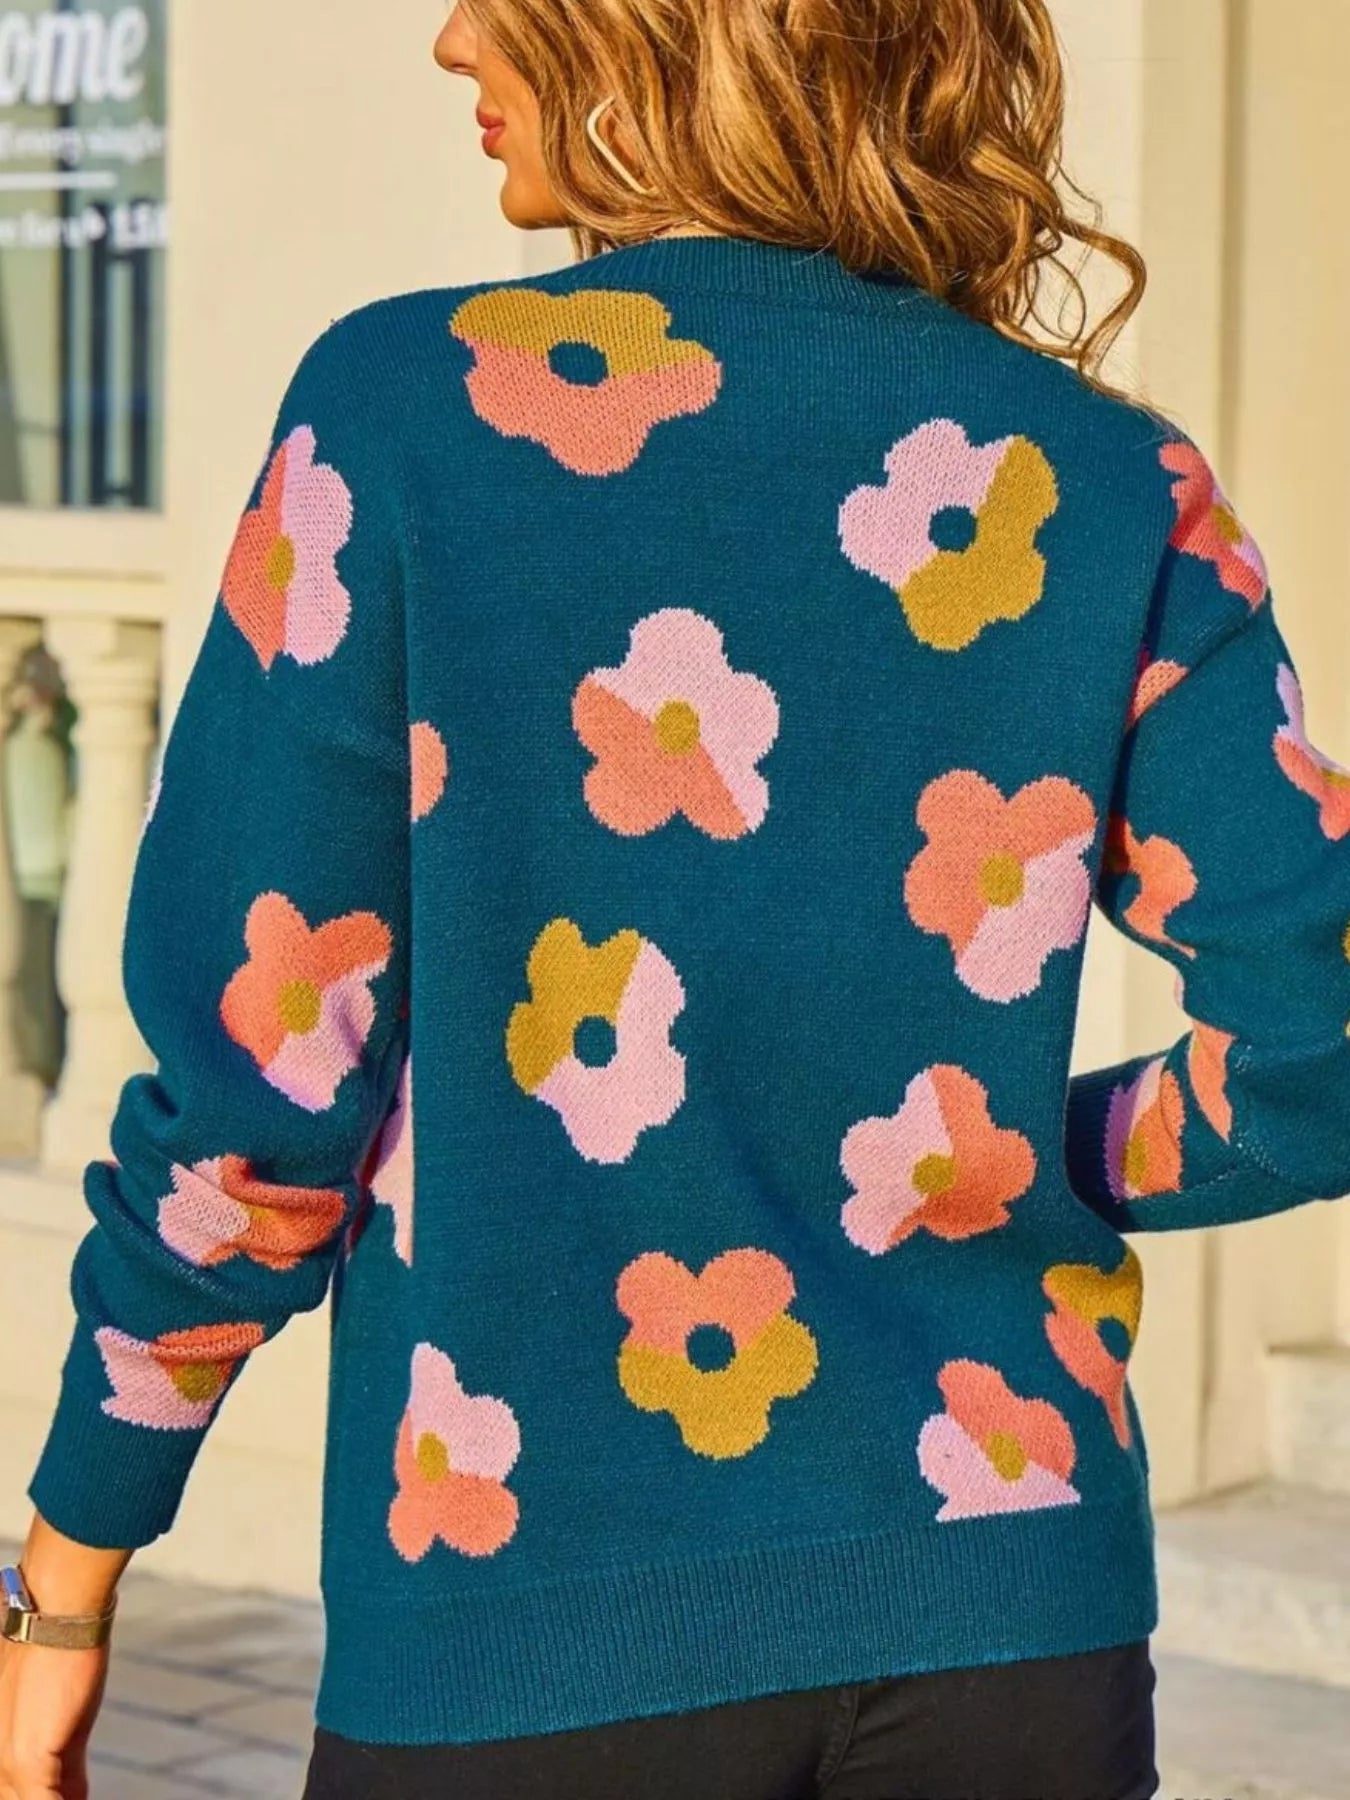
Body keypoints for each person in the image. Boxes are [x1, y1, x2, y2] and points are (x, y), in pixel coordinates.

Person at [3, 1, 1349, 1796]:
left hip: (525, 1648)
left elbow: (258, 1099)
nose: (451, 40)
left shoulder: (397, 419)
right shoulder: (1110, 481)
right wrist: (1011, 1154)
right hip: (1013, 1622)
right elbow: (1315, 1039)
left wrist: (69, 1576)